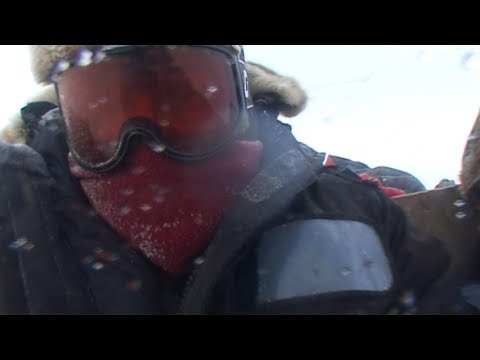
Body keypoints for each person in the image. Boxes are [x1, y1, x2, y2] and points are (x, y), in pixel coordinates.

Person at [0, 45, 467, 314]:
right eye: (104, 114)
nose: (144, 143)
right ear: (63, 117)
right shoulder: (16, 226)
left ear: (239, 100)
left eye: (180, 105)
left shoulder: (350, 213)